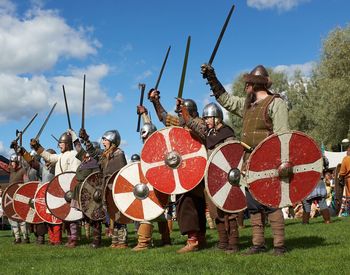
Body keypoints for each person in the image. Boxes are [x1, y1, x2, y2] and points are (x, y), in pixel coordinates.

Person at [201, 63, 289, 256]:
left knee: (271, 203)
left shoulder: (276, 103)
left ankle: (279, 245)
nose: (245, 86)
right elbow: (226, 100)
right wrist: (211, 78)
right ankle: (258, 243)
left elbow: (283, 135)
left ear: (256, 84)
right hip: (249, 160)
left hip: (269, 160)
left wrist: (283, 161)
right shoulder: (247, 105)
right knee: (254, 205)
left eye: (248, 83)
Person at [148, 89, 207, 253]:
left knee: (189, 202)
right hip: (183, 171)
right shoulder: (181, 124)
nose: (180, 116)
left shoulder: (199, 123)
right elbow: (164, 117)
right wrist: (155, 101)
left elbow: (201, 133)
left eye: (182, 112)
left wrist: (186, 115)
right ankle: (199, 239)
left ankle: (194, 240)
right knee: (191, 202)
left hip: (196, 169)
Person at [181, 101, 241, 253]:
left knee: (229, 212)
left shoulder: (228, 134)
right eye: (205, 118)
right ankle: (222, 242)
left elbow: (233, 155)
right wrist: (183, 110)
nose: (206, 121)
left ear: (217, 118)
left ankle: (233, 243)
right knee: (216, 212)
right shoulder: (208, 133)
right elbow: (192, 124)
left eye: (208, 118)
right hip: (211, 179)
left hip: (226, 178)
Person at [79, 128, 128, 249]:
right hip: (107, 188)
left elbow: (120, 174)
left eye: (105, 140)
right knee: (113, 215)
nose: (103, 142)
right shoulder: (105, 154)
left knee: (119, 215)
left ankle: (122, 241)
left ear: (112, 141)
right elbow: (93, 153)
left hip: (116, 187)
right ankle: (115, 241)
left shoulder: (118, 154)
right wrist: (86, 139)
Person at [30, 132, 82, 246]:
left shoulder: (74, 155)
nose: (59, 145)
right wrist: (37, 147)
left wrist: (71, 188)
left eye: (61, 143)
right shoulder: (60, 156)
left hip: (72, 189)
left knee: (73, 215)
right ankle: (69, 239)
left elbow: (74, 175)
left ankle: (74, 239)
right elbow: (48, 157)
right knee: (65, 215)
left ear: (67, 144)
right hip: (62, 190)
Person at [131, 106, 171, 251]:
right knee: (159, 214)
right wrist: (144, 115)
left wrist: (146, 115)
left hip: (158, 184)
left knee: (148, 213)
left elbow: (151, 129)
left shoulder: (158, 147)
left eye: (145, 135)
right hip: (152, 184)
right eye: (142, 135)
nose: (143, 137)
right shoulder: (148, 148)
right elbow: (148, 128)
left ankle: (144, 242)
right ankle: (166, 239)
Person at [6, 153, 30, 244]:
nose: (12, 163)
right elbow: (4, 166)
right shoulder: (11, 171)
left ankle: (25, 237)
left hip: (20, 197)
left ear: (17, 162)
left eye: (14, 162)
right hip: (11, 197)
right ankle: (17, 238)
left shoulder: (23, 171)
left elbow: (27, 184)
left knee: (22, 217)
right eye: (11, 161)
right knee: (12, 217)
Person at [302, 157, 331, 224]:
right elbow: (326, 164)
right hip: (318, 180)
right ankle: (327, 221)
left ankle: (305, 223)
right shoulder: (320, 155)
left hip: (307, 181)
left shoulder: (302, 155)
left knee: (306, 202)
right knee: (322, 202)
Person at [338, 147, 350, 216]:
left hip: (349, 179)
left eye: (347, 151)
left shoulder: (346, 159)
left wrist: (339, 177)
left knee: (348, 196)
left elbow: (342, 172)